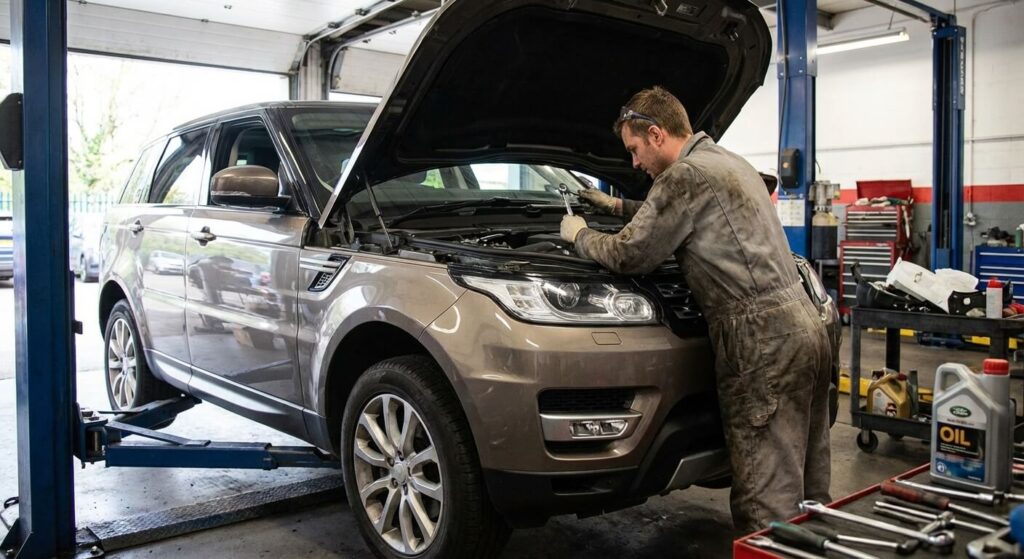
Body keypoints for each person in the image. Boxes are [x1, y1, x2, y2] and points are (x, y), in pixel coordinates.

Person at [560, 86, 832, 532]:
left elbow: (633, 254)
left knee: (766, 495)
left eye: (634, 150)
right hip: (808, 325)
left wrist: (580, 235)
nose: (633, 164)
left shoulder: (682, 177)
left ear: (655, 133)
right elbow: (674, 214)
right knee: (808, 479)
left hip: (760, 340)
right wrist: (613, 204)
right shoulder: (728, 162)